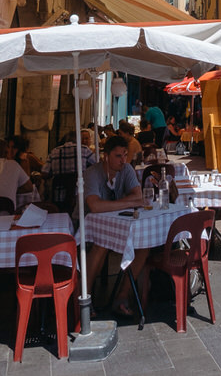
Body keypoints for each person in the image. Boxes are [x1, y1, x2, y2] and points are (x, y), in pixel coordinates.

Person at [83, 135, 147, 317]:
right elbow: (94, 206)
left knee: (144, 246)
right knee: (102, 244)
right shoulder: (93, 174)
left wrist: (118, 203)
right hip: (89, 226)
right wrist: (127, 203)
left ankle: (122, 295)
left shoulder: (126, 170)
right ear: (106, 156)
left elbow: (139, 196)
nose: (123, 160)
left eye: (125, 155)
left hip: (117, 225)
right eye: (118, 156)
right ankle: (84, 298)